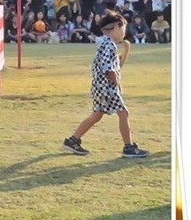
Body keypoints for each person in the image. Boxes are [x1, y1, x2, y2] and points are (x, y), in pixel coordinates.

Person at [62, 12, 148, 158]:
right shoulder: (109, 46)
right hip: (107, 88)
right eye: (123, 29)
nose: (124, 33)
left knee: (96, 115)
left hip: (99, 88)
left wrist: (126, 51)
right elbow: (109, 70)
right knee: (123, 113)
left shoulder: (107, 45)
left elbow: (117, 66)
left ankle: (72, 141)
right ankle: (128, 148)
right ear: (116, 27)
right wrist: (116, 84)